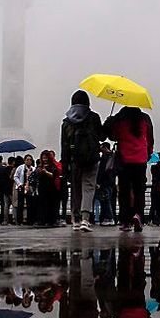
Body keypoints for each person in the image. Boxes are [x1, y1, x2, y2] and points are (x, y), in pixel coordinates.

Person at [104, 106, 154, 232]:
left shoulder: (120, 120)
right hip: (140, 159)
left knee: (124, 192)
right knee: (139, 191)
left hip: (124, 160)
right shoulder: (145, 119)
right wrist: (148, 153)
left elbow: (113, 136)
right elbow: (150, 139)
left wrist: (110, 121)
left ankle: (125, 221)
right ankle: (138, 216)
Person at [61, 90, 104, 231]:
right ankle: (86, 219)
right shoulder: (93, 117)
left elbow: (64, 146)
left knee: (76, 189)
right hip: (92, 159)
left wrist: (65, 165)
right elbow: (102, 136)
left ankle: (75, 220)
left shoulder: (66, 122)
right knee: (88, 188)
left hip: (74, 160)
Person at [96, 143, 117, 226]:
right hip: (111, 182)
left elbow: (102, 170)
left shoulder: (105, 157)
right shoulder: (113, 157)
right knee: (108, 199)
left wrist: (98, 181)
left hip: (105, 182)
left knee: (106, 199)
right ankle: (109, 217)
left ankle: (109, 217)